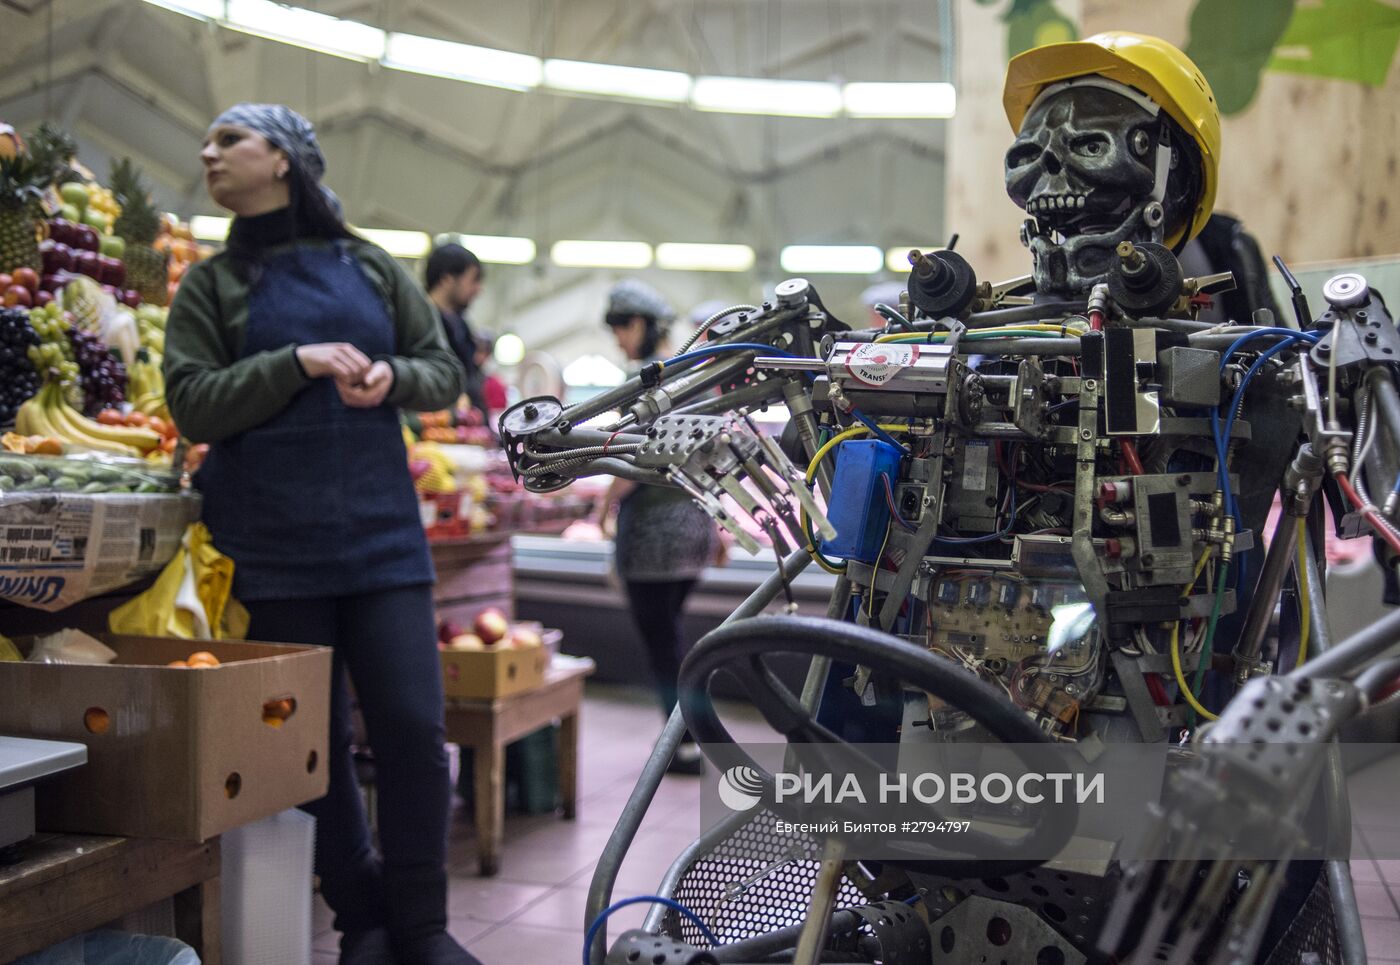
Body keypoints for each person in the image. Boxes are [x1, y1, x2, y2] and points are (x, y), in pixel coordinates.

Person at [164, 104, 478, 965]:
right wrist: (293, 362)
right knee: (311, 747)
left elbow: (442, 371)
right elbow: (190, 403)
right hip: (269, 544)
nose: (208, 153)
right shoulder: (211, 285)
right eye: (209, 142)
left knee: (413, 730)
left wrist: (391, 375)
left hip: (382, 537)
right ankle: (361, 915)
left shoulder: (370, 265)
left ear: (284, 159)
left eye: (229, 139)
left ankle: (423, 925)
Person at [595, 279, 718, 776]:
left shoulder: (647, 380)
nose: (619, 338)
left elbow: (633, 456)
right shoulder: (696, 375)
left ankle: (684, 741)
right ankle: (685, 734)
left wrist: (604, 505)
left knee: (664, 646)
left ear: (644, 324)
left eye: (622, 326)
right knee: (671, 639)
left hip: (651, 535)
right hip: (692, 529)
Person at [425, 243, 489, 419]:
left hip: (467, 426)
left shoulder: (461, 325)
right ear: (447, 279)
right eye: (473, 280)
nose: (478, 289)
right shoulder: (419, 324)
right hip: (435, 425)